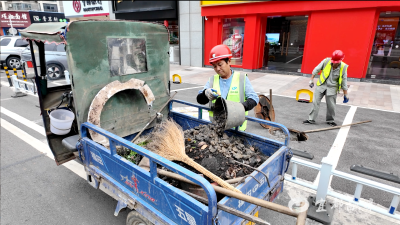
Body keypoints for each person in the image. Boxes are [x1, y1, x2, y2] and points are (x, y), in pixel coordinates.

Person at [196, 44, 259, 131]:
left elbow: (254, 98)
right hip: (217, 127)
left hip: (236, 129)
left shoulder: (241, 78)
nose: (217, 68)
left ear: (229, 61)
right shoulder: (212, 80)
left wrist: (239, 108)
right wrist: (205, 94)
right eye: (214, 66)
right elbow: (200, 100)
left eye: (220, 64)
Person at [303, 50, 350, 127]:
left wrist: (346, 94)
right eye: (333, 61)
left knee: (331, 105)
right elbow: (316, 69)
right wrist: (311, 79)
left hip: (332, 88)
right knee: (315, 103)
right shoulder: (326, 61)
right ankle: (311, 119)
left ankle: (330, 120)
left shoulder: (343, 67)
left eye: (336, 62)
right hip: (321, 85)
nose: (334, 63)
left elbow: (344, 81)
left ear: (341, 60)